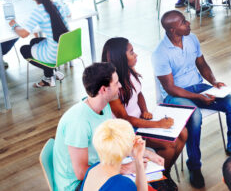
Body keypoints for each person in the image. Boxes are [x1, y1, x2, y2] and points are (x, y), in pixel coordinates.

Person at [152, 10, 231, 189]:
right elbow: (170, 88)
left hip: (198, 86)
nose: (188, 23)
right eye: (183, 22)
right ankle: (194, 166)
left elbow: (201, 63)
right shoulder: (160, 53)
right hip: (174, 96)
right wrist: (197, 97)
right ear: (172, 30)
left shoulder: (191, 38)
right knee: (195, 116)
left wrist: (214, 82)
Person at [52, 62, 164, 191]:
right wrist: (126, 168)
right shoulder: (78, 122)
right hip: (78, 185)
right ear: (104, 89)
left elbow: (115, 142)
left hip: (101, 167)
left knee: (148, 170)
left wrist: (147, 153)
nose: (120, 85)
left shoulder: (104, 106)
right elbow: (81, 172)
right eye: (116, 83)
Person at [102, 37, 187, 190]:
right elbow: (126, 119)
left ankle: (163, 174)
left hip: (140, 121)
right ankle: (158, 180)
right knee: (169, 145)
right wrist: (157, 124)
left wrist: (145, 110)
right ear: (121, 58)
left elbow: (139, 93)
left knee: (184, 133)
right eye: (131, 53)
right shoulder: (113, 86)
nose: (136, 55)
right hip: (129, 131)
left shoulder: (129, 71)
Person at [8, 0, 69, 87]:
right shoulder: (56, 4)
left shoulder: (38, 11)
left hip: (54, 55)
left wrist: (14, 25)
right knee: (34, 41)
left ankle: (48, 78)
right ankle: (51, 74)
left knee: (24, 49)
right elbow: (69, 14)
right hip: (67, 49)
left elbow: (23, 34)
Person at [79, 119, 148, 191]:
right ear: (131, 144)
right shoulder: (124, 184)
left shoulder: (93, 168)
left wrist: (138, 158)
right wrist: (138, 159)